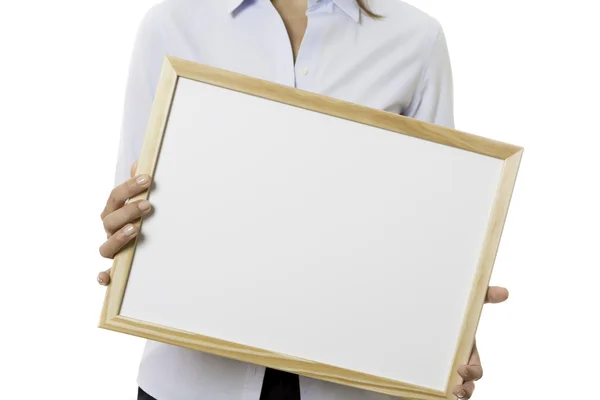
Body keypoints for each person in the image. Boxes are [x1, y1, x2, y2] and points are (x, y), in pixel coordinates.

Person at [97, 0, 510, 399]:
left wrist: (452, 312)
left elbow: (432, 222)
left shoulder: (416, 39)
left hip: (355, 381)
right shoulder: (171, 23)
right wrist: (127, 241)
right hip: (192, 382)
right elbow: (135, 191)